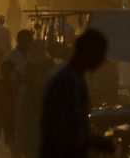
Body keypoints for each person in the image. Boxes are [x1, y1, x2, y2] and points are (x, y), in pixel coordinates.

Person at [40, 29, 114, 158]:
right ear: (87, 52)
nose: (102, 59)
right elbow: (63, 129)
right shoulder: (66, 81)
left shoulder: (75, 79)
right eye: (99, 54)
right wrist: (94, 142)